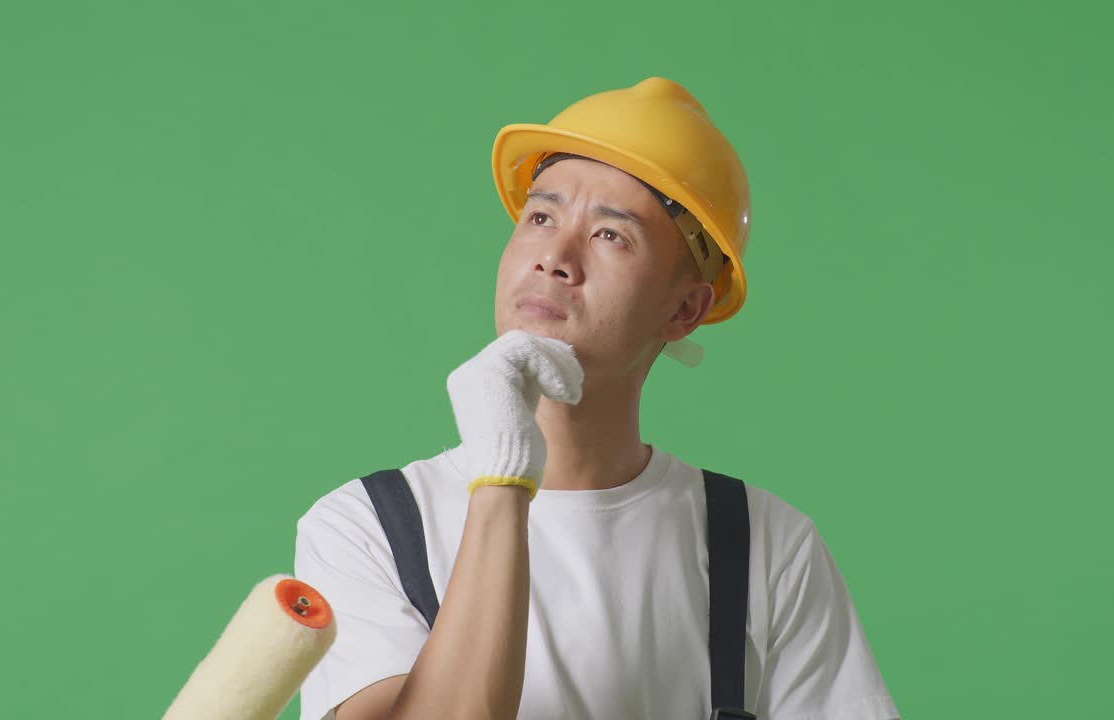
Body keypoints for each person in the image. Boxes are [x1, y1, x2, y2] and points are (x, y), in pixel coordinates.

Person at [294, 77, 901, 720]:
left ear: (685, 308)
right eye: (541, 216)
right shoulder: (365, 529)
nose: (554, 257)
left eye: (611, 235)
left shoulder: (768, 546)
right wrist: (501, 476)